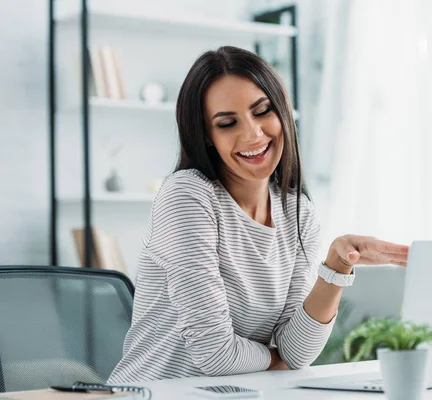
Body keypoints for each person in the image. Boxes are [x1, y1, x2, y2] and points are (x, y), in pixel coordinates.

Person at [107, 46, 408, 383]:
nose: (252, 134)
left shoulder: (299, 214)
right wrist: (277, 360)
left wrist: (336, 269)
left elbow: (297, 352)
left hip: (235, 392)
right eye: (227, 123)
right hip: (154, 393)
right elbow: (216, 354)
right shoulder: (187, 196)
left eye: (262, 111)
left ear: (282, 112)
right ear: (207, 137)